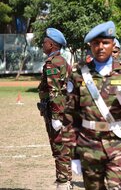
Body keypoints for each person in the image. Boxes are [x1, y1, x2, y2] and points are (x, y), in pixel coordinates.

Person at [63, 21, 121, 189]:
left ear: (113, 44)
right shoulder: (79, 74)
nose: (100, 47)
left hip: (118, 144)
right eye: (96, 43)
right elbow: (70, 116)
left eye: (105, 43)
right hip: (88, 145)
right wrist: (73, 155)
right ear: (90, 46)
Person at [37, 28, 73, 189]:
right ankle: (66, 180)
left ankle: (63, 182)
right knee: (62, 146)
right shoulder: (59, 61)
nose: (42, 45)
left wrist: (56, 117)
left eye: (44, 42)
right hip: (60, 110)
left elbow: (55, 91)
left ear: (51, 44)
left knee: (59, 147)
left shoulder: (53, 63)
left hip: (58, 111)